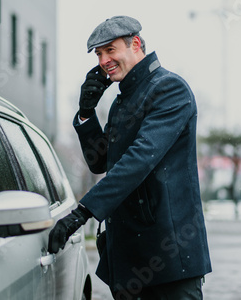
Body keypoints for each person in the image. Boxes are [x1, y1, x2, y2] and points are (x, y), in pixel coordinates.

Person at [48, 16, 212, 300]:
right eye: (99, 54)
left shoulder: (169, 89)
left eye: (110, 50)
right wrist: (86, 113)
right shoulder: (123, 100)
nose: (103, 60)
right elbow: (99, 161)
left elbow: (139, 160)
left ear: (135, 44)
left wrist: (83, 212)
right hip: (128, 259)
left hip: (168, 255)